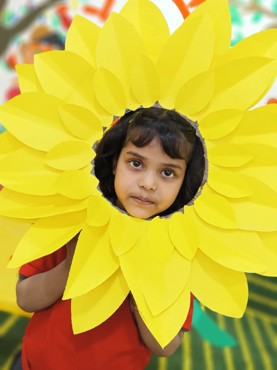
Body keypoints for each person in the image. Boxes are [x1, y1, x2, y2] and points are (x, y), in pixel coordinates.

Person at [16, 106, 205, 370]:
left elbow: (166, 345)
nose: (148, 184)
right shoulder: (73, 217)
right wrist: (71, 267)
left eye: (167, 172)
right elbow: (25, 298)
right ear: (115, 162)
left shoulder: (179, 247)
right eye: (136, 163)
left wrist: (142, 290)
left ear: (185, 180)